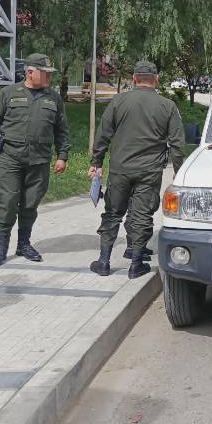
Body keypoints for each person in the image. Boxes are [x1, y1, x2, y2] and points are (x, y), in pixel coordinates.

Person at [88, 61, 185, 279]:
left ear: (134, 78)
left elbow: (103, 134)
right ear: (156, 79)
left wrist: (96, 163)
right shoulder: (167, 106)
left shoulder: (118, 101)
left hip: (120, 169)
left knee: (112, 213)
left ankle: (104, 262)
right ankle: (136, 264)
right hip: (149, 171)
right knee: (142, 215)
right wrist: (179, 173)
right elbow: (177, 145)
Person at [0, 53, 70, 267]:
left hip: (39, 161)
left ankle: (24, 244)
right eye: (45, 73)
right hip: (10, 159)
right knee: (8, 202)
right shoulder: (9, 93)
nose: (49, 77)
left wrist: (62, 156)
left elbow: (62, 130)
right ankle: (1, 248)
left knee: (30, 205)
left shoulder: (53, 97)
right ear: (30, 72)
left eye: (50, 73)